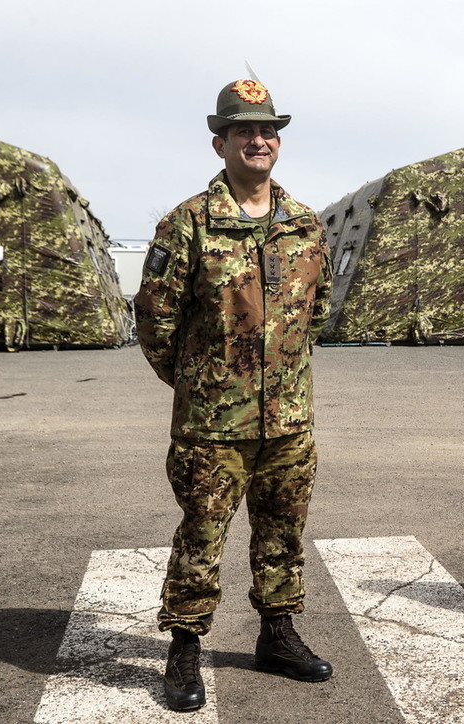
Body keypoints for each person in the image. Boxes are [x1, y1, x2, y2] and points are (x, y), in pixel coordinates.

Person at [135, 78, 334, 711]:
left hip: (289, 422)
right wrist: (201, 383)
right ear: (220, 142)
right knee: (202, 533)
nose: (258, 139)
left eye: (268, 129)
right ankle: (186, 646)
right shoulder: (188, 223)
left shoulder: (305, 224)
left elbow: (317, 310)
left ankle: (277, 634)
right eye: (244, 129)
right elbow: (156, 321)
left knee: (282, 531)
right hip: (212, 425)